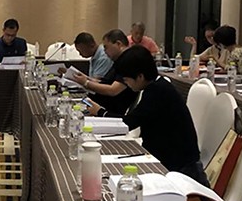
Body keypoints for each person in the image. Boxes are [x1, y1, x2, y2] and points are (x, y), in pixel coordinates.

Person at [86, 45, 209, 187]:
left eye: (126, 80)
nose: (126, 84)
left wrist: (100, 112)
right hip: (170, 159)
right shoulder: (157, 86)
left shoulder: (158, 92)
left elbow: (129, 123)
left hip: (182, 170)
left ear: (140, 76)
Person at [71, 29, 138, 116]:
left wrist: (86, 82)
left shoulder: (128, 61)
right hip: (100, 106)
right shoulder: (118, 61)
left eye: (106, 47)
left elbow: (113, 90)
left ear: (118, 44)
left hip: (109, 111)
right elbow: (104, 82)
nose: (104, 51)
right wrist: (85, 78)